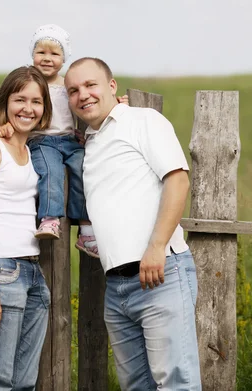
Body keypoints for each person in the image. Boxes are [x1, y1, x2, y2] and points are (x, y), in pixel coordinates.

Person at [64, 57, 202, 390]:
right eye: (73, 90)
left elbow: (177, 180)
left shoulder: (143, 120)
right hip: (117, 288)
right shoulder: (91, 141)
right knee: (136, 386)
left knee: (175, 382)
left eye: (91, 85)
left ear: (112, 86)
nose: (83, 95)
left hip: (160, 273)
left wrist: (156, 247)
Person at [0, 24, 127, 258]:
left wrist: (115, 102)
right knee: (51, 171)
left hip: (68, 141)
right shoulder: (30, 84)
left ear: (64, 58)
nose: (47, 59)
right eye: (41, 53)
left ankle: (86, 229)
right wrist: (4, 123)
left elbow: (88, 101)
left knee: (84, 171)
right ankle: (49, 218)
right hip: (42, 141)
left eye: (55, 54)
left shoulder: (68, 85)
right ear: (32, 54)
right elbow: (10, 106)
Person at [0, 65, 51, 391]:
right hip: (0, 270)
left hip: (31, 272)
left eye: (37, 101)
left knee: (24, 383)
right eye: (20, 99)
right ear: (5, 103)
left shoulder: (30, 150)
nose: (28, 108)